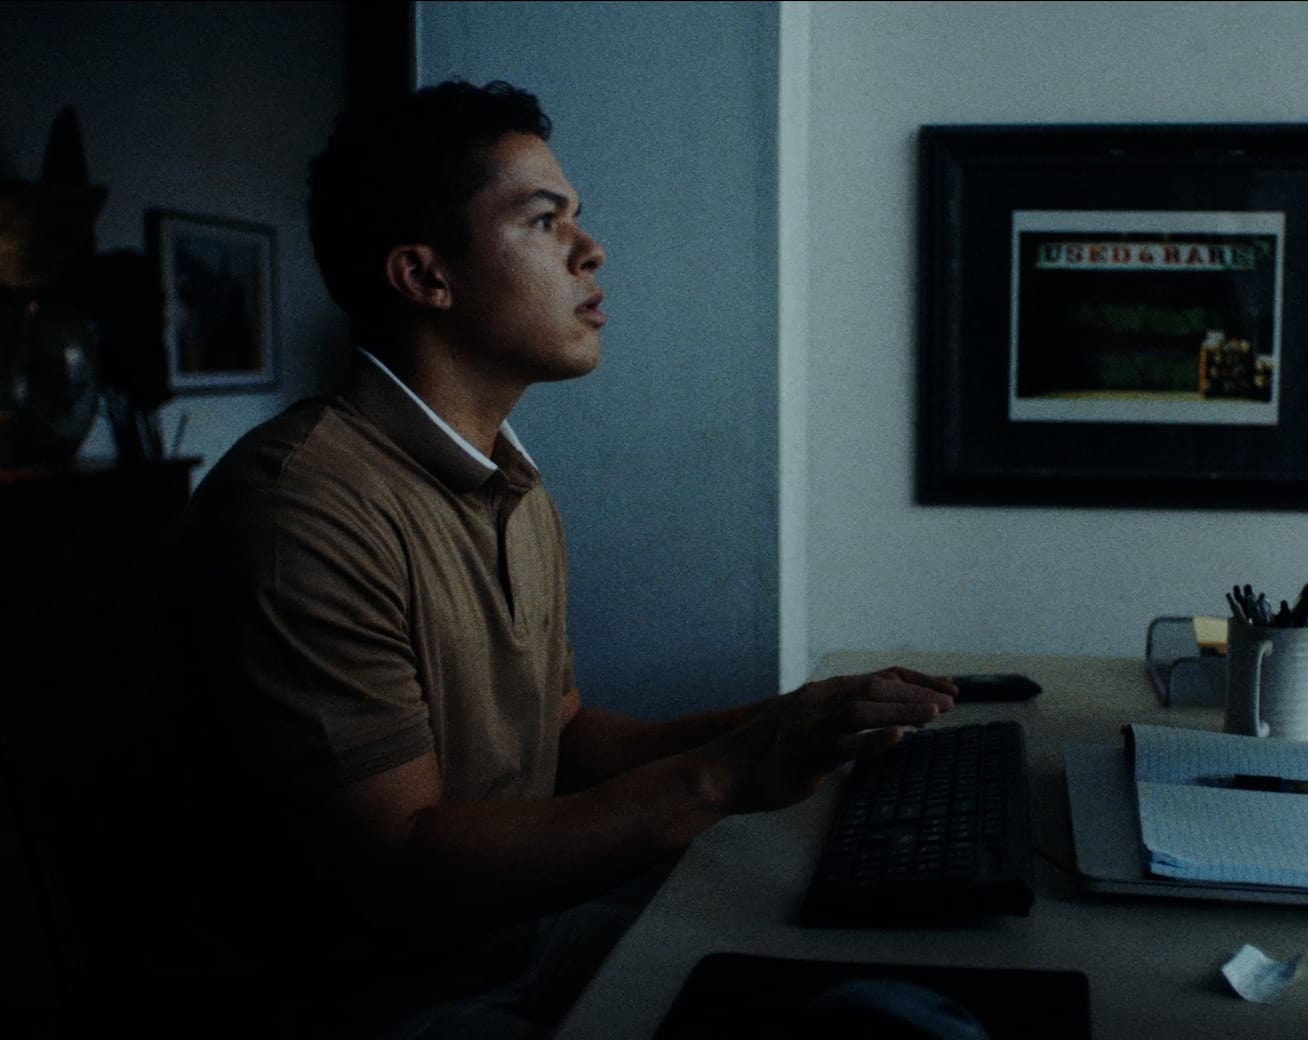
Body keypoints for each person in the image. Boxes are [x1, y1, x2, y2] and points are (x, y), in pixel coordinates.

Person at [149, 80, 956, 1037]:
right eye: (544, 220)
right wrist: (722, 776)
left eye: (576, 216)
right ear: (425, 277)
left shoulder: (511, 483)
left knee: (878, 998)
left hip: (513, 948)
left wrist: (786, 724)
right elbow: (402, 861)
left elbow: (562, 740)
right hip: (379, 1006)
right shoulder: (301, 511)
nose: (591, 248)